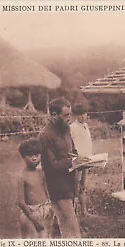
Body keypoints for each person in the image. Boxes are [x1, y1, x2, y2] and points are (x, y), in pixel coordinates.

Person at [38, 97, 88, 238]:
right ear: (54, 116)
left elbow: (72, 151)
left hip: (70, 184)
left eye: (70, 114)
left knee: (59, 227)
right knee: (72, 233)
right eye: (66, 115)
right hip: (58, 188)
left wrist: (81, 160)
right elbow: (50, 165)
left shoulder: (65, 129)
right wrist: (72, 161)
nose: (69, 118)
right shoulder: (45, 136)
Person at [17, 138, 54, 238]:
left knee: (45, 236)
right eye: (30, 155)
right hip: (30, 213)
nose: (34, 158)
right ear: (23, 157)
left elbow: (46, 191)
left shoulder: (41, 173)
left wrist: (50, 206)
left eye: (37, 155)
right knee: (31, 239)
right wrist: (32, 218)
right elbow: (21, 202)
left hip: (44, 209)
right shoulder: (22, 176)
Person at [70, 104, 93, 218]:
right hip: (77, 161)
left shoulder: (85, 126)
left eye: (85, 114)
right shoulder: (73, 127)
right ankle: (72, 213)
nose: (83, 116)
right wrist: (75, 157)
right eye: (81, 114)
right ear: (76, 115)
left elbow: (87, 143)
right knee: (75, 186)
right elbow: (71, 144)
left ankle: (84, 211)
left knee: (83, 186)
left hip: (86, 160)